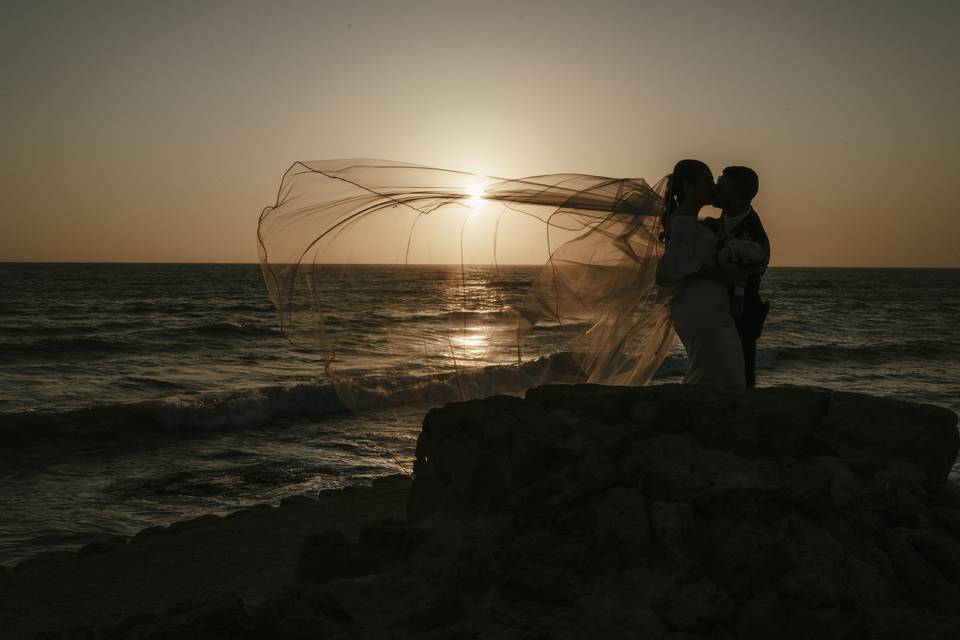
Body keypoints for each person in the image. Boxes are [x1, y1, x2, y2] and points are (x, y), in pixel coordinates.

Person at [655, 160, 747, 392]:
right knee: (716, 370)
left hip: (709, 303)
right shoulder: (682, 221)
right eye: (706, 180)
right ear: (687, 186)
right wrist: (726, 277)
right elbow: (685, 265)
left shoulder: (694, 222)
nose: (712, 185)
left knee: (725, 367)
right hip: (697, 305)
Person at [704, 166, 770, 388]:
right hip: (718, 308)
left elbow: (749, 272)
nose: (715, 189)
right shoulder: (723, 219)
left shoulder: (751, 232)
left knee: (740, 370)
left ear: (738, 195)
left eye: (722, 186)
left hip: (740, 312)